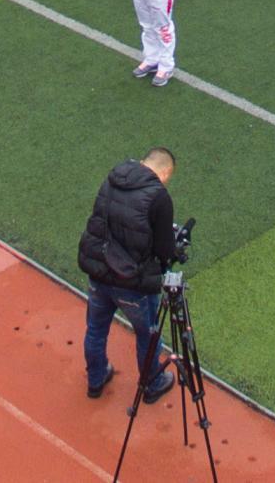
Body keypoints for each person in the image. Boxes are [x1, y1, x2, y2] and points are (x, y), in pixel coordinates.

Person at [77, 149, 180, 402]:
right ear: (165, 172)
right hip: (131, 281)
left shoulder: (113, 177)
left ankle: (96, 379)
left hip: (98, 270)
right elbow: (164, 250)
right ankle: (152, 383)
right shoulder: (159, 197)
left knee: (96, 329)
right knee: (148, 334)